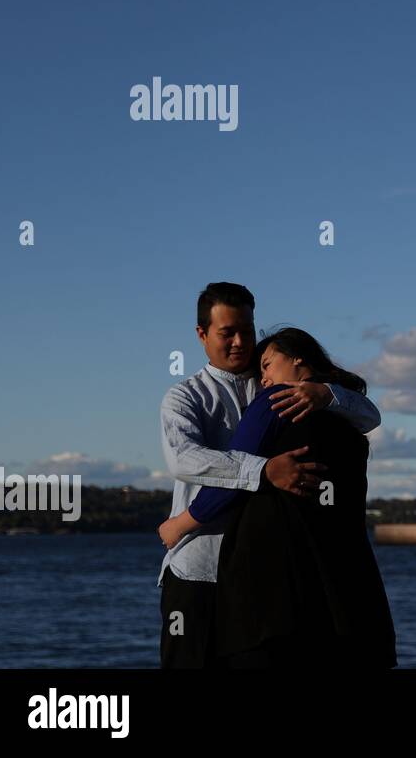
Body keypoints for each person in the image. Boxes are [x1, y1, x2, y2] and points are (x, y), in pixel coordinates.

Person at [158, 283, 381, 669]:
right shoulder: (185, 397)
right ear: (201, 334)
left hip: (260, 578)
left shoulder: (282, 384)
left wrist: (326, 394)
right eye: (227, 332)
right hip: (199, 568)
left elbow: (369, 416)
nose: (241, 341)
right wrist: (263, 471)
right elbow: (184, 460)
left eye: (247, 329)